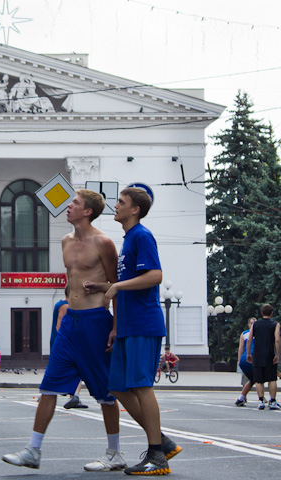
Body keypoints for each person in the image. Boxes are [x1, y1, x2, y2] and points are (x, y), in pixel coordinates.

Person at [4, 189, 131, 472]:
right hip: (71, 322)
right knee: (48, 386)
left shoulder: (104, 242)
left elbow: (115, 287)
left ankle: (115, 453)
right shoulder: (65, 241)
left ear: (87, 211)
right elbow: (72, 280)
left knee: (105, 393)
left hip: (96, 321)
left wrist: (115, 325)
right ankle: (33, 450)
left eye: (74, 203)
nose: (68, 206)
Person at [84, 186, 181, 475]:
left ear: (135, 210)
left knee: (141, 385)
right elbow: (131, 281)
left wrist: (117, 286)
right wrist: (105, 286)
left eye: (121, 202)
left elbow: (155, 276)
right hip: (126, 326)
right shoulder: (129, 239)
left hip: (143, 324)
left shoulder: (141, 235)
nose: (116, 205)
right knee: (115, 387)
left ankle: (156, 456)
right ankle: (161, 441)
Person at [247, 304, 281, 410]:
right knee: (271, 379)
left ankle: (261, 400)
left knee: (259, 380)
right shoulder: (275, 324)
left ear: (262, 312)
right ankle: (272, 401)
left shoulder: (255, 324)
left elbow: (249, 339)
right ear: (271, 313)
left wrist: (249, 353)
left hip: (257, 354)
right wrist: (277, 354)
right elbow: (277, 339)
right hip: (269, 353)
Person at [234, 318, 256, 407]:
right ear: (248, 324)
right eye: (251, 323)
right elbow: (241, 347)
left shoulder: (259, 333)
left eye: (255, 323)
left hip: (255, 358)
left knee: (256, 379)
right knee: (246, 379)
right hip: (247, 358)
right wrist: (239, 360)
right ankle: (244, 398)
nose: (253, 325)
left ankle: (242, 398)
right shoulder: (245, 334)